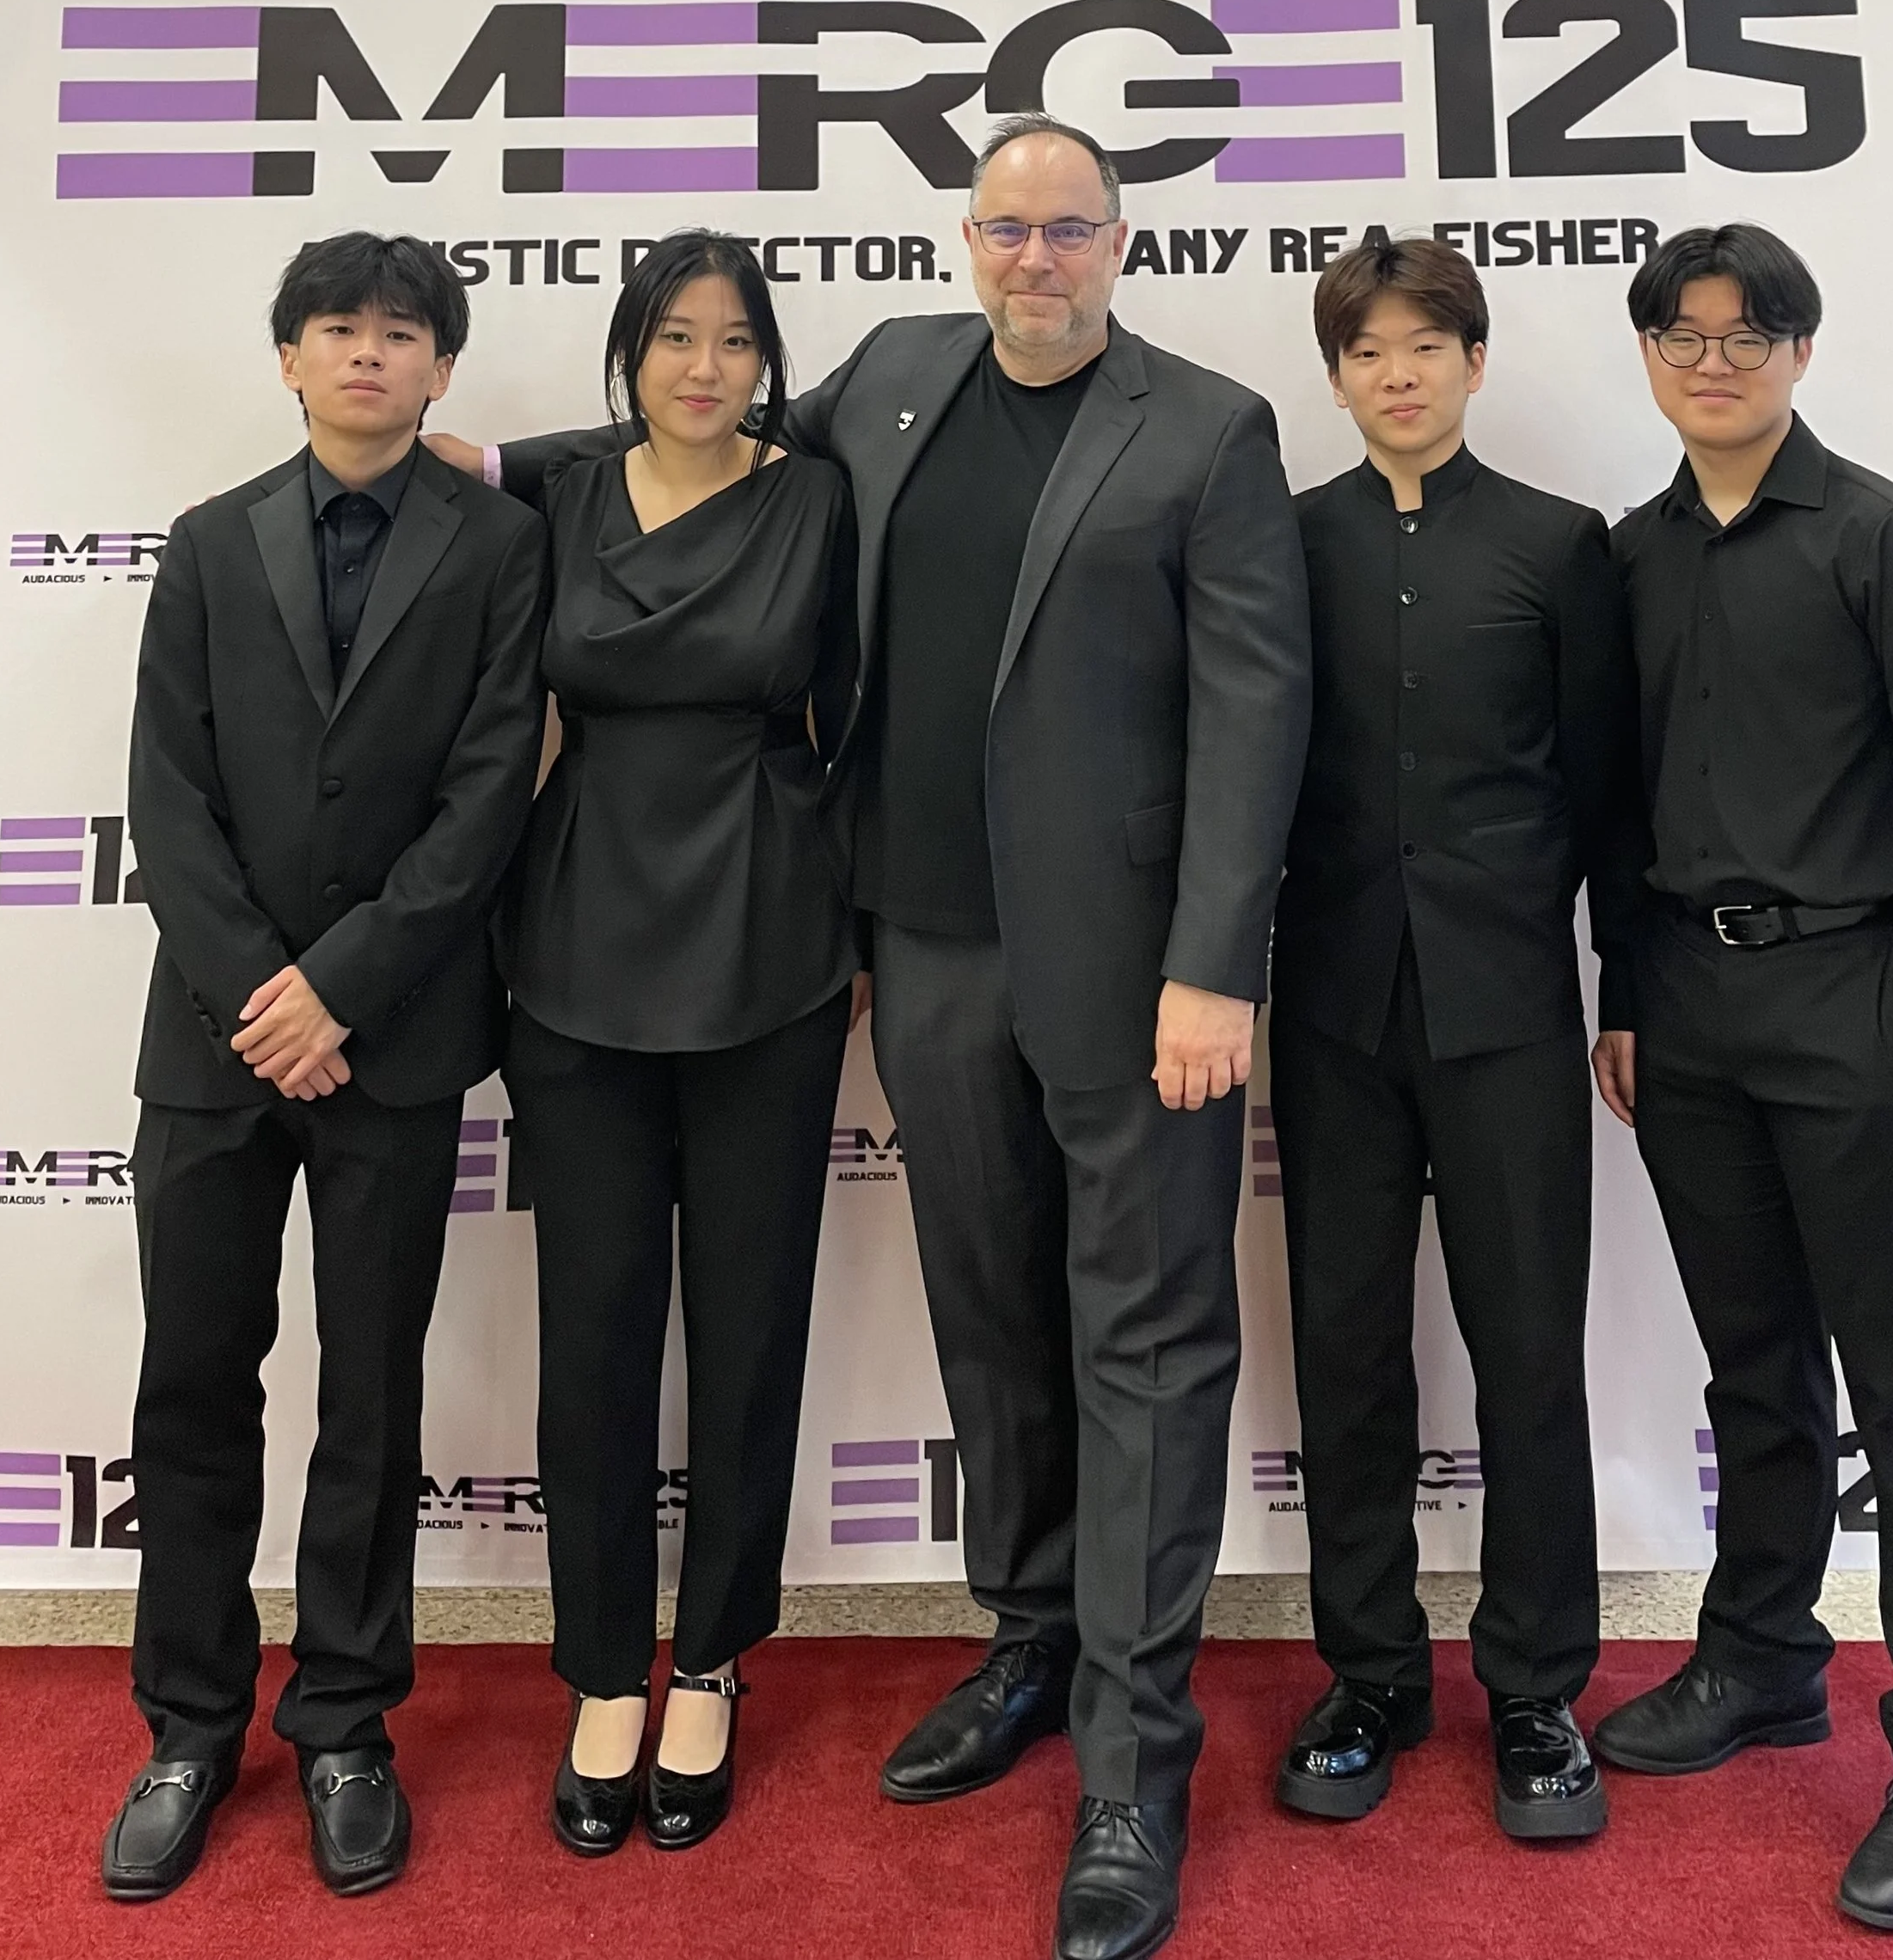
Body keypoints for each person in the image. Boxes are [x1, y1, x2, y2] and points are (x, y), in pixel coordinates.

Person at [442, 117, 1308, 1960]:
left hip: (1133, 976)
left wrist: (1214, 962)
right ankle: (1028, 1635)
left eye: (1068, 228)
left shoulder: (1210, 431)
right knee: (992, 1315)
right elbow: (702, 441)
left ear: (1118, 241)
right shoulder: (897, 377)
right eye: (1004, 227)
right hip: (917, 949)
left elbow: (1255, 708)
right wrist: (502, 463)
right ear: (965, 241)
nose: (1034, 258)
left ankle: (1132, 1763)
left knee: (1144, 1342)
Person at [101, 234, 548, 1904]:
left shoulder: (498, 546)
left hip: (397, 1035)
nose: (368, 354)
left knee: (371, 1397)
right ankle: (189, 1722)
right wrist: (257, 991)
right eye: (337, 329)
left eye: (401, 333)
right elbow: (169, 786)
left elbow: (488, 790)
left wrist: (341, 986)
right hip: (212, 1045)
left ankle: (347, 1718)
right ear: (288, 358)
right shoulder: (213, 545)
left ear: (442, 368)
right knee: (194, 1385)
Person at [1590, 224, 1893, 1936]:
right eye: (1678, 333)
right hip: (1684, 1014)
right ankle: (1763, 1655)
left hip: (1857, 1009)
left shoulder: (1884, 541)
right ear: (1645, 355)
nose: (1711, 358)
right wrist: (1624, 991)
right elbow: (1615, 813)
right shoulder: (1626, 559)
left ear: (1797, 349)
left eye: (1745, 330)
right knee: (1752, 1371)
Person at [481, 232, 860, 1860]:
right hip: (575, 940)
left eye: (734, 341)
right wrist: (499, 449)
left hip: (772, 933)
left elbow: (865, 704)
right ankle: (598, 1673)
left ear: (768, 361)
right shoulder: (550, 501)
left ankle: (707, 1658)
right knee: (598, 1327)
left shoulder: (819, 500)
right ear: (628, 352)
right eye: (672, 337)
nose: (703, 367)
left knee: (754, 1316)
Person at [1269, 236, 1645, 1842]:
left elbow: (1613, 800)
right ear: (1338, 377)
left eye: (1428, 346)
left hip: (1506, 1015)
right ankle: (1370, 1674)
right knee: (1347, 1355)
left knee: (1526, 1354)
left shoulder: (1565, 550)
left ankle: (1540, 1688)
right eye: (1368, 353)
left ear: (1476, 365)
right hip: (1335, 1013)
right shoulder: (1280, 547)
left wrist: (1625, 989)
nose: (1399, 375)